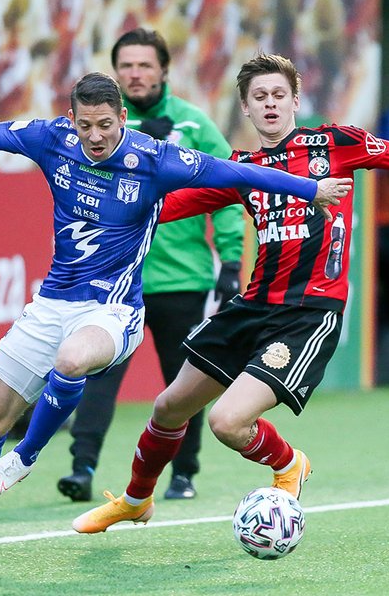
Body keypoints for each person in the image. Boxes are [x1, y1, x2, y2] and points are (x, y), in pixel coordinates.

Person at [0, 71, 351, 556]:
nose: (95, 136)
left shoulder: (155, 159)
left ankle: (24, 457)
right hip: (52, 302)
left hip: (113, 310)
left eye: (106, 125)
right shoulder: (51, 139)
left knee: (71, 360)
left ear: (123, 118)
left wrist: (311, 190)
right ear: (72, 119)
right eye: (86, 125)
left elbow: (236, 172)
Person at [71, 54, 389, 534]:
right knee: (168, 407)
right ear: (245, 107)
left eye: (278, 95)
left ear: (295, 101)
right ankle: (136, 500)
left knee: (227, 422)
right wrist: (104, 207)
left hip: (309, 312)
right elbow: (171, 206)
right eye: (259, 97)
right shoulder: (243, 168)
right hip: (253, 305)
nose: (270, 104)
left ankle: (289, 465)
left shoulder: (334, 143)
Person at [58, 29, 246, 503]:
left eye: (144, 65)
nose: (135, 74)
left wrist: (231, 259)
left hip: (180, 276)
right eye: (126, 66)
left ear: (164, 69)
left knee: (184, 383)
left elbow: (231, 189)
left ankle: (184, 474)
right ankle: (82, 468)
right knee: (97, 375)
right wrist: (141, 138)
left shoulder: (194, 124)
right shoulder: (98, 129)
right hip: (114, 277)